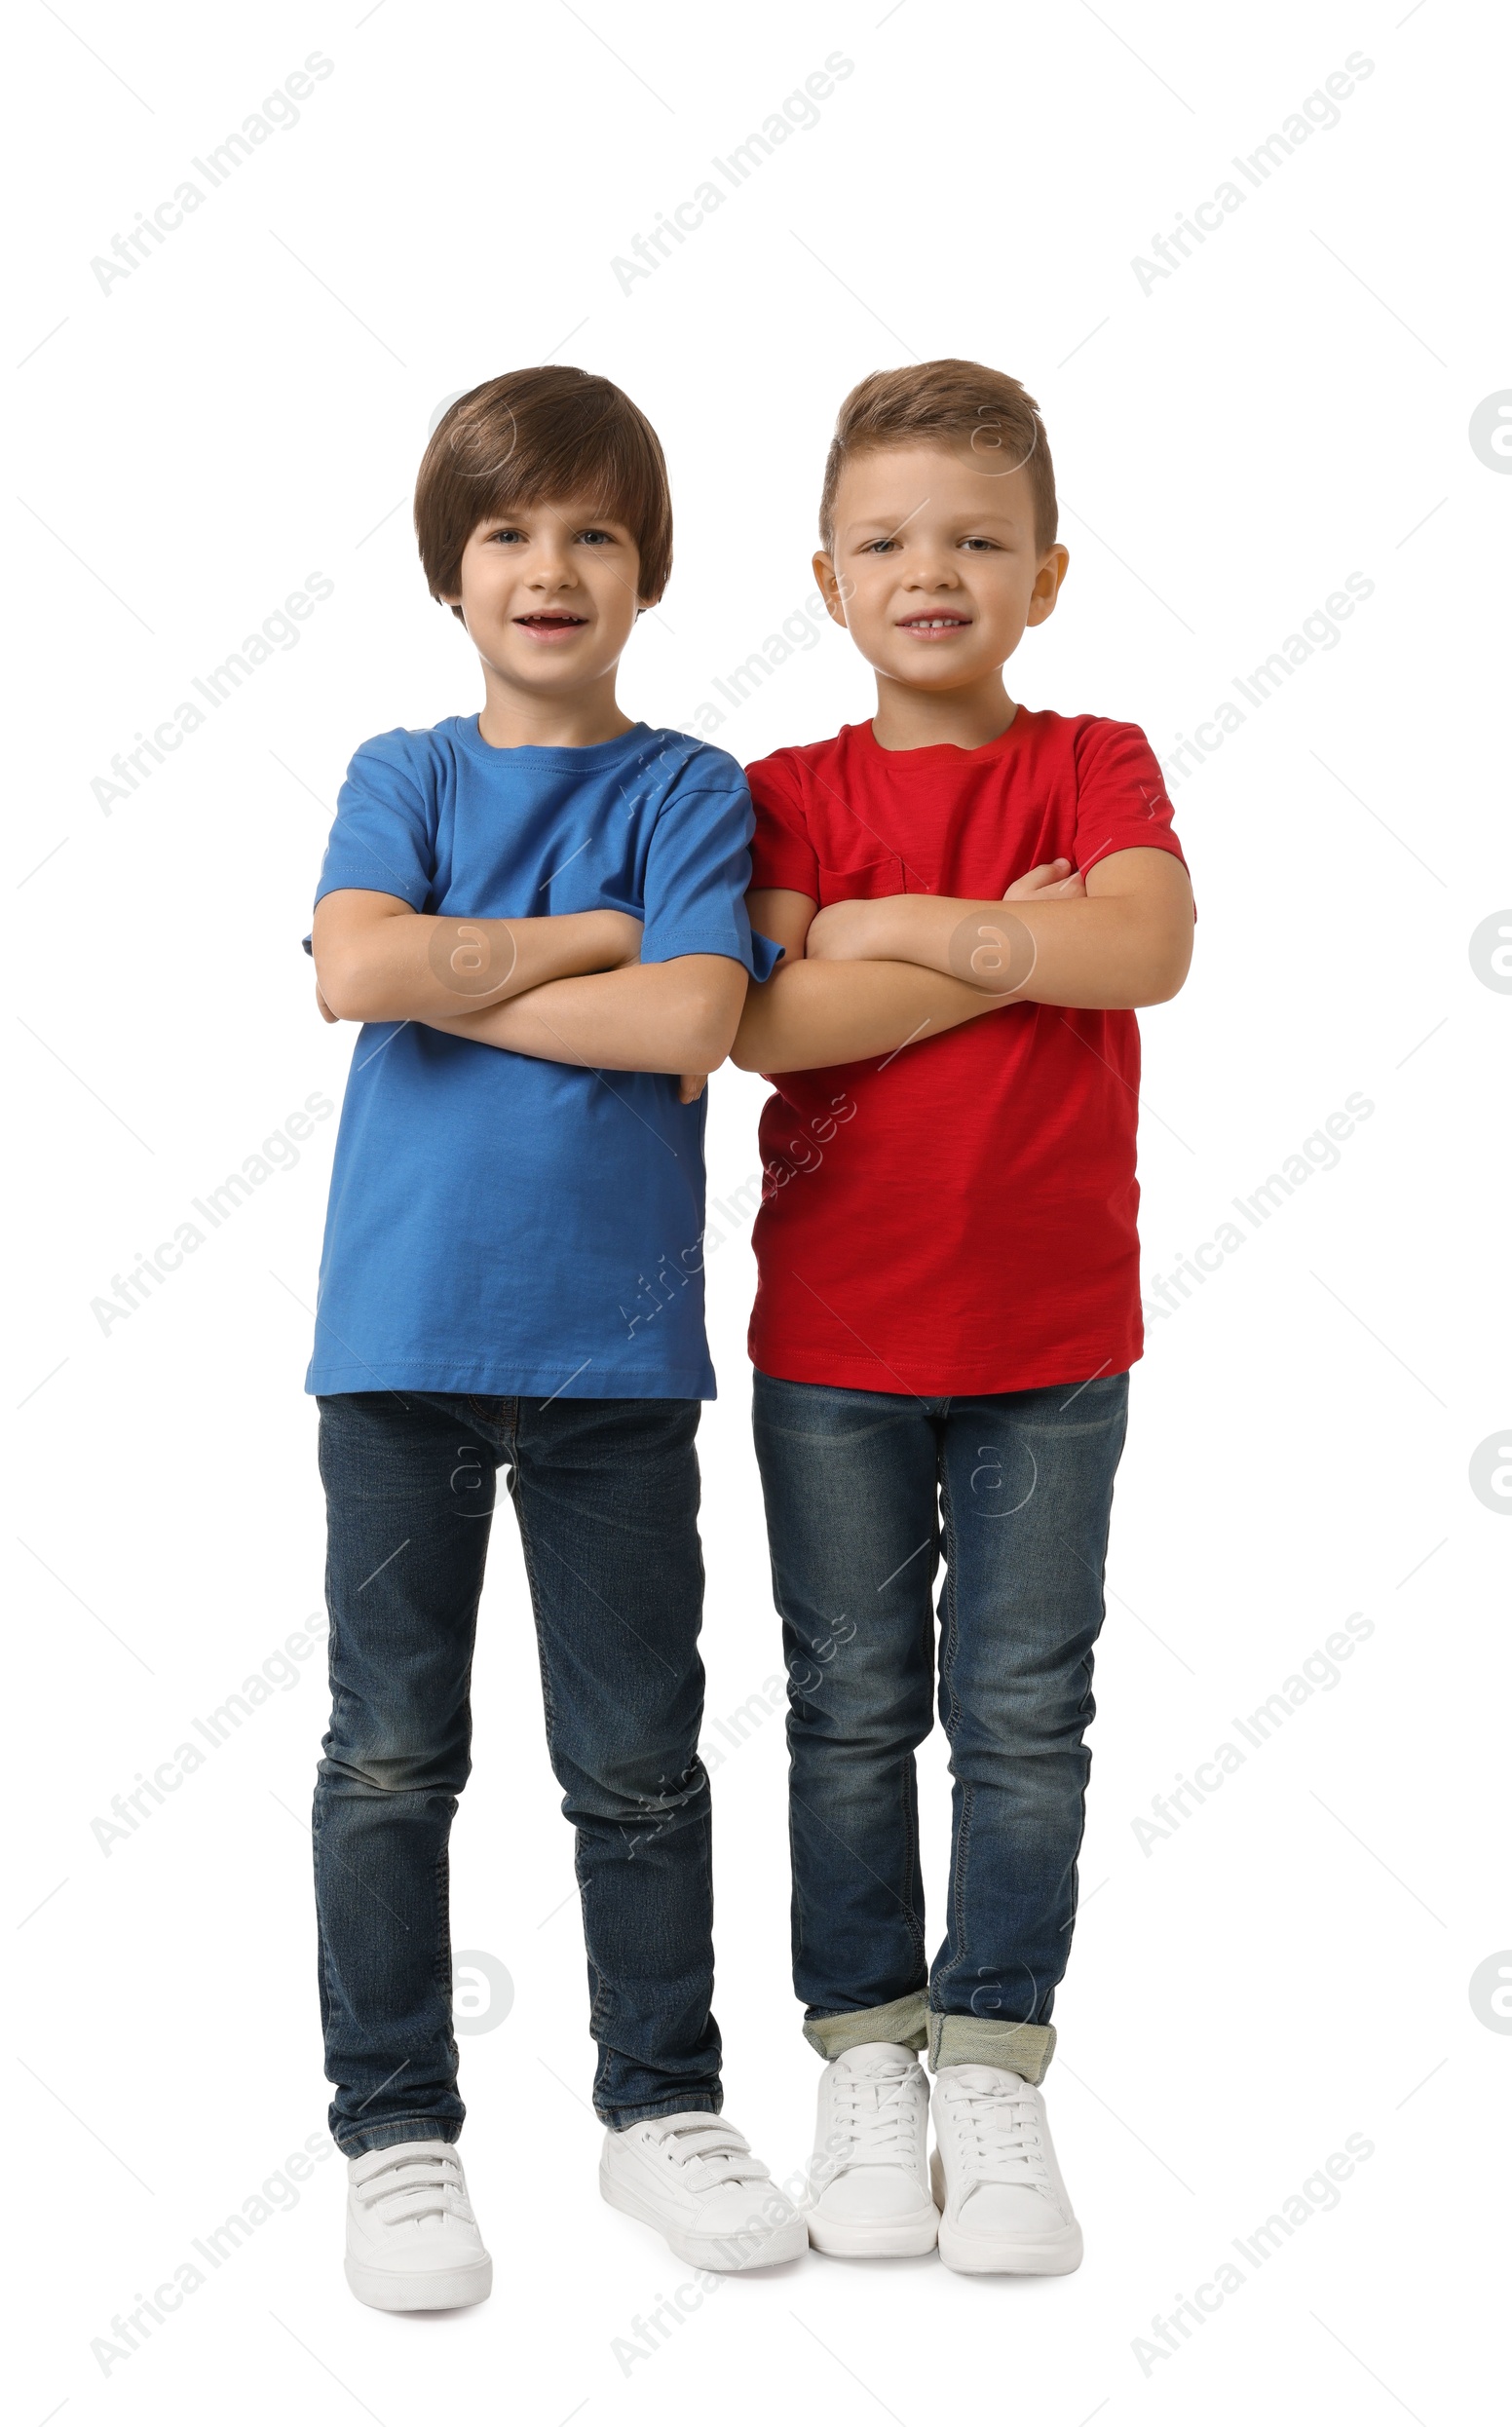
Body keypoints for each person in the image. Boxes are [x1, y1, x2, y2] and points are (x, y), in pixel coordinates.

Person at [306, 365, 802, 2311]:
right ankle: (398, 2130)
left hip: (613, 1360)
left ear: (645, 570)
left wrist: (463, 973)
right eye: (508, 530)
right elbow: (355, 963)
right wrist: (591, 941)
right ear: (452, 569)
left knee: (639, 1762)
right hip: (401, 1337)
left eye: (592, 530)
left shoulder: (688, 789)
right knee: (388, 1754)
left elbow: (692, 1028)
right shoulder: (404, 772)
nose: (549, 565)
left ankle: (658, 2106)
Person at [732, 360, 1195, 2275]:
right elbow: (766, 1023)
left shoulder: (1091, 757)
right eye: (889, 540)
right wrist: (1006, 935)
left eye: (976, 541)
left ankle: (991, 2055)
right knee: (846, 1713)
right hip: (833, 1340)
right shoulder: (776, 791)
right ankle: (864, 2049)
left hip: (1049, 1339)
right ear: (827, 577)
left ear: (1046, 572)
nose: (933, 571)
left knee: (1020, 1711)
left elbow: (1145, 944)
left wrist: (891, 928)